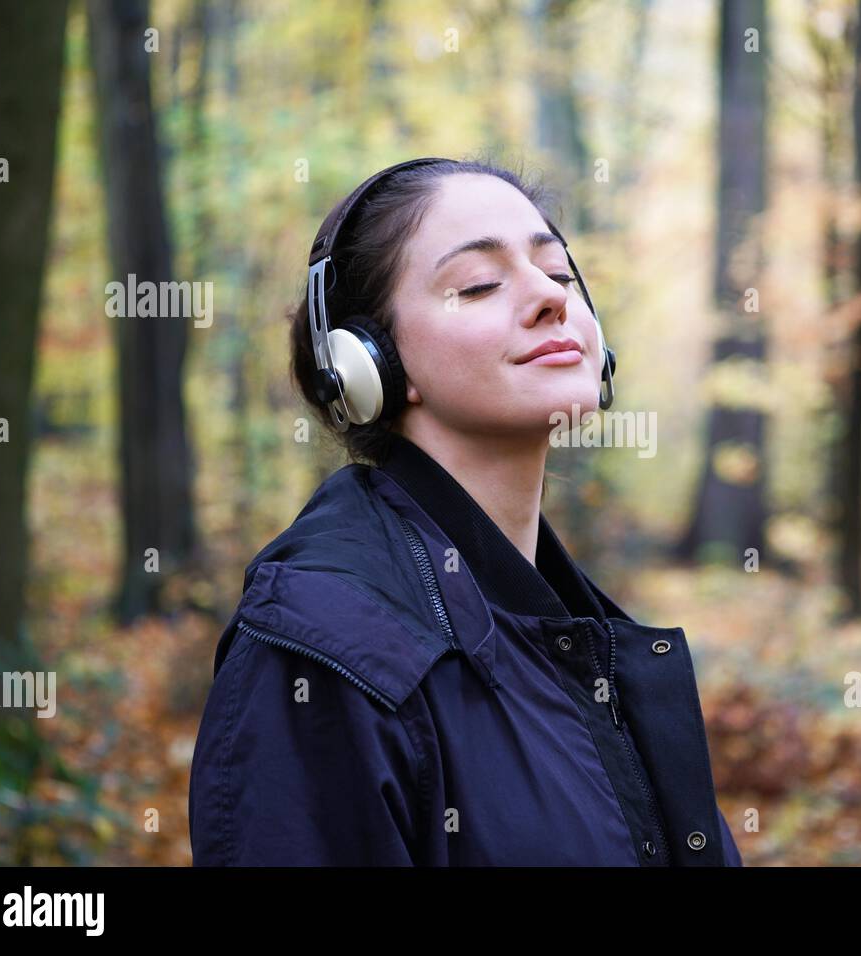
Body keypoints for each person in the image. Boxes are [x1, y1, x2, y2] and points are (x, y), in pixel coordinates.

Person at [188, 155, 743, 866]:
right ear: (369, 362)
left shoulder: (574, 633)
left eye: (560, 274)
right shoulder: (323, 642)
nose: (550, 298)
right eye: (478, 284)